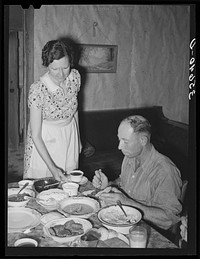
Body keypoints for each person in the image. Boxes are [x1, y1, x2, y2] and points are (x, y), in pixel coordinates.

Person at [92, 115, 183, 230]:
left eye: (125, 142)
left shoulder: (165, 171)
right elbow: (124, 182)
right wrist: (108, 184)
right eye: (119, 139)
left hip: (148, 231)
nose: (119, 147)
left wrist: (128, 203)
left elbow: (169, 219)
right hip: (124, 220)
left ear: (143, 140)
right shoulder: (130, 157)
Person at [23, 39, 82, 181]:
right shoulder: (38, 90)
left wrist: (78, 139)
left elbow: (74, 110)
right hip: (46, 140)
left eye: (65, 67)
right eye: (55, 69)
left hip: (69, 135)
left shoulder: (74, 77)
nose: (61, 74)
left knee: (69, 184)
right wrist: (53, 168)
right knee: (45, 186)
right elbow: (35, 135)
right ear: (47, 65)